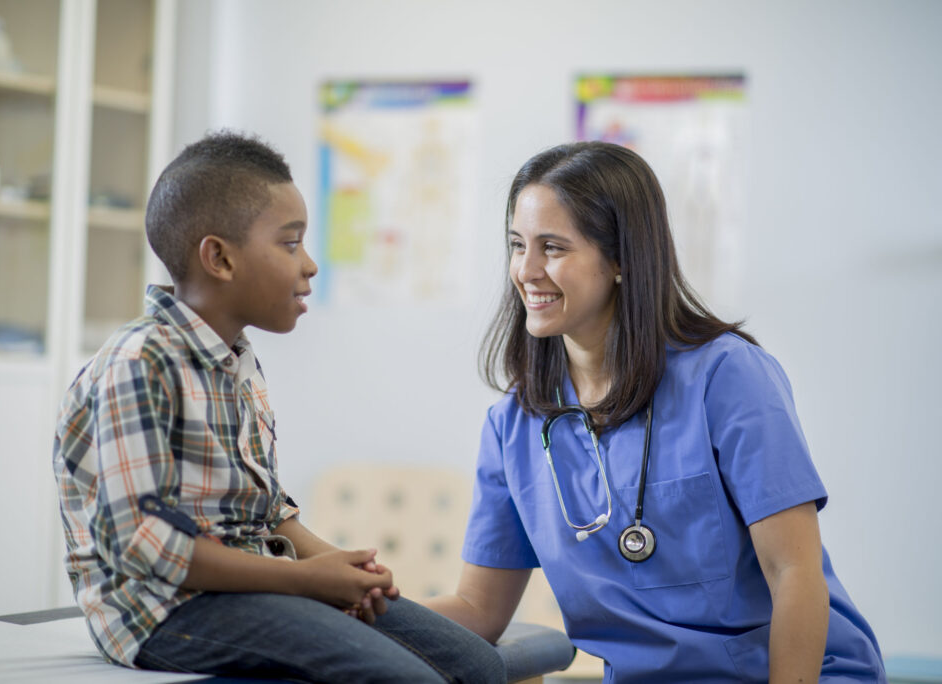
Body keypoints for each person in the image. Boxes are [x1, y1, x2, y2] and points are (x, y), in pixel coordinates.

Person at [425, 141, 886, 683]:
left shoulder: (726, 376)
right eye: (516, 245)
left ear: (621, 258)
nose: (525, 270)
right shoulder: (513, 426)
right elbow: (479, 610)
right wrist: (359, 610)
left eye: (552, 247)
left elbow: (793, 571)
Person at [53, 131, 505, 683]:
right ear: (219, 257)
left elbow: (264, 511)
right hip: (164, 612)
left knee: (478, 667)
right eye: (290, 244)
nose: (310, 264)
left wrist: (340, 568)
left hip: (255, 586)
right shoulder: (139, 363)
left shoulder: (237, 361)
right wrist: (306, 580)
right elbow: (145, 546)